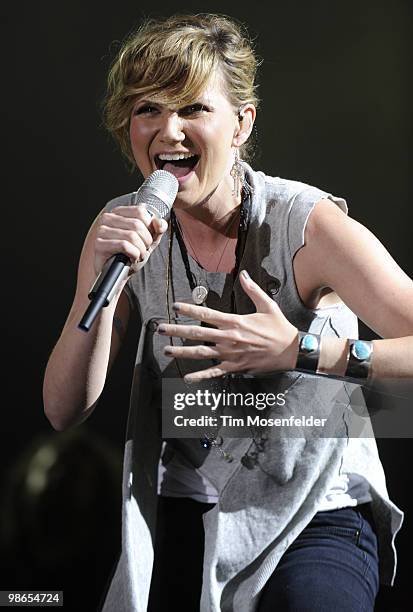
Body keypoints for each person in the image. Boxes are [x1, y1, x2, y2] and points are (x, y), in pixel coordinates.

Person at [42, 13, 410, 612]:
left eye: (192, 109)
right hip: (190, 506)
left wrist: (302, 351)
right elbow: (63, 409)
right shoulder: (123, 230)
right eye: (147, 110)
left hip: (312, 514)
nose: (169, 130)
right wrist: (102, 283)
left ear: (242, 123)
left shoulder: (306, 224)